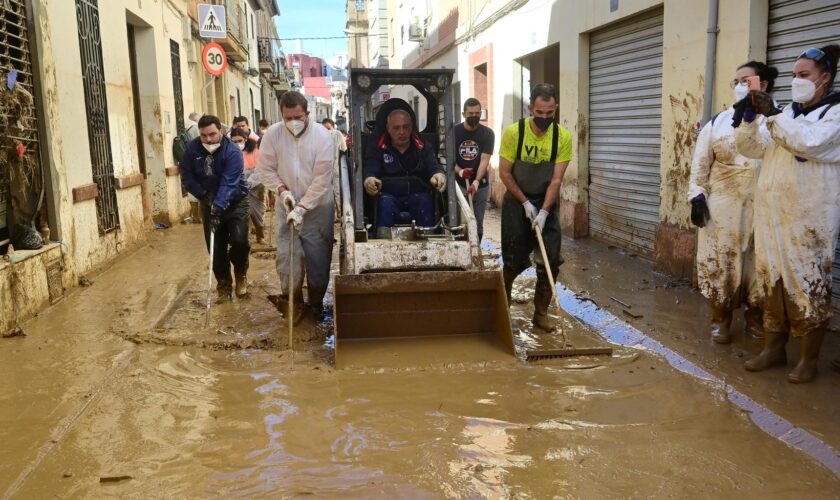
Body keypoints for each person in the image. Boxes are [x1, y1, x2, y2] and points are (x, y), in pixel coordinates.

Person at [734, 44, 840, 383]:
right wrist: (749, 122)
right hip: (772, 215)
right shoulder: (787, 113)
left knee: (808, 283)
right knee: (771, 280)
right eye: (794, 75)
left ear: (825, 78)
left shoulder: (834, 113)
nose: (797, 81)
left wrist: (773, 114)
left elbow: (808, 144)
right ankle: (773, 348)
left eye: (804, 75)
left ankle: (808, 359)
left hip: (809, 218)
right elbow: (752, 148)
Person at [688, 61, 779, 344]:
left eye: (746, 80)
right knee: (722, 263)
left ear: (761, 85)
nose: (740, 85)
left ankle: (755, 319)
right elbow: (700, 165)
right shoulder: (717, 122)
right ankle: (721, 320)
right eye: (736, 81)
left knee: (759, 265)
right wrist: (697, 196)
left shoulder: (780, 120)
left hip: (765, 206)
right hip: (723, 208)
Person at [499, 84, 572, 332]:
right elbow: (505, 173)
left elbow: (555, 180)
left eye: (549, 114)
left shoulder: (562, 137)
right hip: (516, 200)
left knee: (550, 260)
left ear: (555, 109)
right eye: (539, 113)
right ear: (530, 108)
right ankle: (502, 310)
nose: (544, 119)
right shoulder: (514, 133)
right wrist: (525, 203)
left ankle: (540, 315)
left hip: (546, 202)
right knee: (513, 260)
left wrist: (543, 211)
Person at [256, 91, 335, 322]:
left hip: (318, 207)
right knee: (287, 258)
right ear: (281, 115)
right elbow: (266, 169)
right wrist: (283, 191)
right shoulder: (272, 135)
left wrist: (302, 207)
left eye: (298, 117)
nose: (293, 122)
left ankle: (316, 305)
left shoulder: (323, 136)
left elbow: (322, 178)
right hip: (286, 205)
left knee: (318, 260)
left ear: (307, 113)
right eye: (288, 118)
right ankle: (293, 304)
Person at [179, 114, 251, 300]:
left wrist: (218, 206)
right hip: (208, 201)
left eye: (212, 134)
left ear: (221, 130)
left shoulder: (232, 152)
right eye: (204, 135)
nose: (208, 139)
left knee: (239, 241)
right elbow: (187, 177)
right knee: (215, 247)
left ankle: (241, 274)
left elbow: (229, 182)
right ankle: (224, 284)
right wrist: (203, 195)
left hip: (235, 202)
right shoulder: (191, 150)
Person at [363, 107, 446, 231]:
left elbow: (433, 166)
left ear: (411, 127)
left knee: (425, 201)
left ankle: (429, 238)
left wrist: (438, 175)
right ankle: (383, 241)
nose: (402, 132)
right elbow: (371, 168)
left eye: (406, 127)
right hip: (387, 196)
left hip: (418, 195)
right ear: (388, 129)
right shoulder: (377, 147)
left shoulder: (423, 146)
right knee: (385, 204)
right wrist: (369, 180)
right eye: (396, 128)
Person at [454, 98, 495, 241]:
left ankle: (476, 253)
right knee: (461, 223)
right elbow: (449, 159)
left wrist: (476, 182)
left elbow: (485, 160)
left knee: (477, 223)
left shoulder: (488, 134)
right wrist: (460, 172)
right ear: (463, 114)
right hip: (459, 184)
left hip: (480, 185)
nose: (474, 116)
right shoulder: (454, 132)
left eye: (477, 113)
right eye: (470, 113)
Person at [230, 128, 265, 245]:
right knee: (240, 211)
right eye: (233, 141)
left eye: (239, 140)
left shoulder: (255, 149)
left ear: (245, 139)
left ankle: (260, 236)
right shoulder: (228, 151)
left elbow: (260, 169)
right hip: (237, 184)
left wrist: (247, 183)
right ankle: (243, 238)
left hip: (255, 184)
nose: (237, 144)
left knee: (256, 211)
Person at [322, 117, 348, 216]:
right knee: (327, 194)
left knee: (337, 192)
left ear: (332, 127)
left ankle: (340, 213)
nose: (327, 131)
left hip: (335, 168)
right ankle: (331, 215)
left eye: (328, 128)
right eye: (324, 129)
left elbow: (344, 150)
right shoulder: (320, 137)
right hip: (324, 170)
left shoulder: (338, 134)